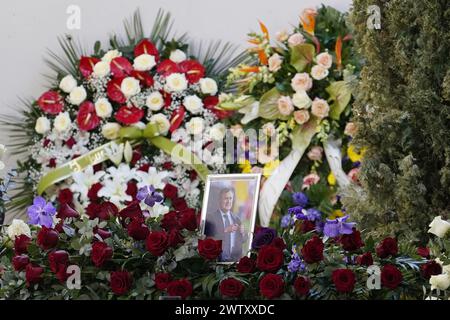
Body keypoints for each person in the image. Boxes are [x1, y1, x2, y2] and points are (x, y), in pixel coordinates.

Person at [205, 187, 246, 262]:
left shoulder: (236, 219)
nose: (228, 201)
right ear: (219, 200)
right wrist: (225, 230)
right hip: (217, 261)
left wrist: (242, 233)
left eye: (230, 198)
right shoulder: (211, 217)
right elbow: (208, 239)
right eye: (226, 198)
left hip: (234, 261)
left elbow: (243, 240)